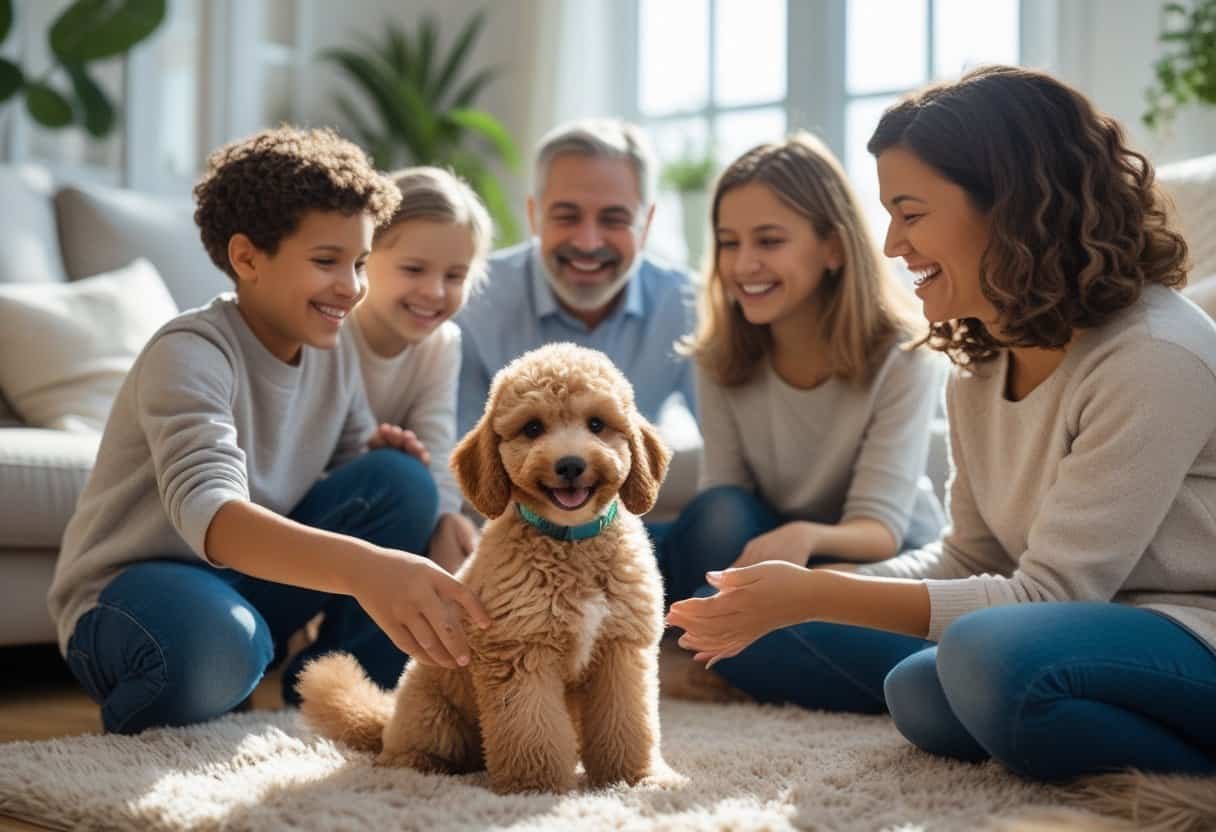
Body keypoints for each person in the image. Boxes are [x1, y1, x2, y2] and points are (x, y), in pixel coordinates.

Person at [668, 65, 1216, 782]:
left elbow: (1048, 596)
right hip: (1065, 630)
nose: (892, 245)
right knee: (920, 691)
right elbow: (970, 555)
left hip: (1189, 631)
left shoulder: (1152, 355)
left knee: (983, 659)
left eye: (911, 212)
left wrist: (815, 591)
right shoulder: (983, 362)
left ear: (1012, 210)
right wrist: (798, 593)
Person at [47, 127, 490, 735]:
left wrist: (381, 459)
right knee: (219, 645)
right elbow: (213, 515)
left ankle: (321, 703)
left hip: (247, 583)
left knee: (401, 480)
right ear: (247, 258)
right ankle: (192, 699)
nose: (353, 286)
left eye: (359, 263)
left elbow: (348, 464)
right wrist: (367, 567)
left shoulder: (329, 349)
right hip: (134, 595)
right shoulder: (192, 350)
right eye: (326, 261)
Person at [658, 133, 946, 607]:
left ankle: (710, 630)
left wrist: (804, 537)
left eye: (769, 241)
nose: (744, 264)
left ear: (833, 247)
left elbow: (879, 530)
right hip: (773, 548)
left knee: (717, 598)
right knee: (704, 519)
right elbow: (723, 506)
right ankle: (709, 625)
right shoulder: (719, 356)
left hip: (878, 566)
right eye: (729, 243)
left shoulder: (902, 354)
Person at [454, 118, 697, 440]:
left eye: (614, 219)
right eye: (567, 216)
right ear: (534, 216)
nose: (588, 243)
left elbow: (729, 459)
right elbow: (459, 460)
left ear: (647, 222)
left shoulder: (686, 303)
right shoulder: (472, 299)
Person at [348, 167, 493, 575]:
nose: (434, 291)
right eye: (413, 269)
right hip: (334, 503)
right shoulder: (335, 330)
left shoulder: (442, 343)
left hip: (392, 498)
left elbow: (437, 437)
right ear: (363, 257)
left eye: (455, 276)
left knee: (446, 520)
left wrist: (446, 519)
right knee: (402, 478)